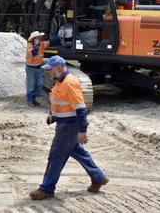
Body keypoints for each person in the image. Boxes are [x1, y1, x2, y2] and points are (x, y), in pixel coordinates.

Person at [29, 55, 108, 200]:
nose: (49, 72)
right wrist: (52, 114)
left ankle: (46, 189)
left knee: (56, 156)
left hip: (68, 127)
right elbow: (61, 101)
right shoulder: (60, 81)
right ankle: (98, 177)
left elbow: (81, 109)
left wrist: (82, 130)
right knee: (77, 151)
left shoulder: (69, 83)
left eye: (50, 69)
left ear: (59, 67)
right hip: (65, 124)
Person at [25, 31, 49, 106]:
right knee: (31, 86)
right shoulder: (30, 47)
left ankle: (33, 98)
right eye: (38, 37)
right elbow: (34, 52)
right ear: (33, 39)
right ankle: (30, 100)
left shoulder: (41, 44)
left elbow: (48, 42)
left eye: (40, 37)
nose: (40, 38)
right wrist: (36, 45)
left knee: (40, 85)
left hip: (39, 68)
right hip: (30, 69)